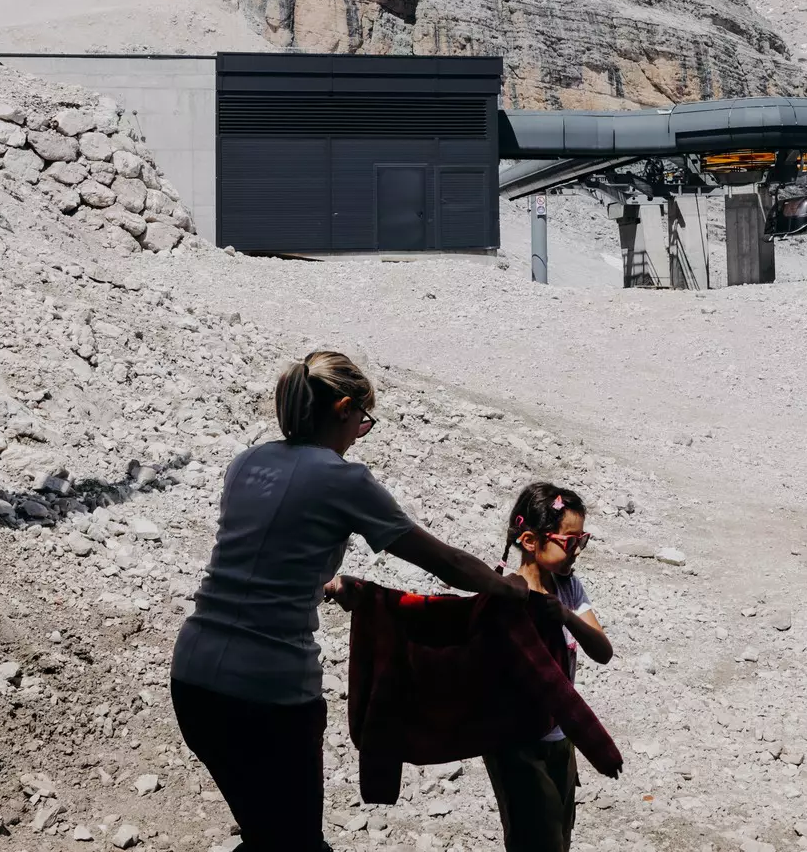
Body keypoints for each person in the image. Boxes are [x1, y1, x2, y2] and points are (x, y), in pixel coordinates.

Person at [170, 350, 523, 851]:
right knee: (294, 842)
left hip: (194, 680)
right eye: (362, 421)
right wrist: (508, 586)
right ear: (342, 409)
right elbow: (439, 559)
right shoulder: (344, 479)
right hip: (270, 691)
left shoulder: (245, 462)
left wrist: (326, 582)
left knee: (268, 833)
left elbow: (268, 555)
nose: (361, 432)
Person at [482, 482, 612, 852]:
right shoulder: (506, 595)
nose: (577, 551)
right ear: (530, 540)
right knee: (534, 839)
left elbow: (603, 651)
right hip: (516, 741)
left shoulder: (569, 590)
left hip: (560, 737)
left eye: (581, 540)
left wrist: (566, 617)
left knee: (559, 835)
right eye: (570, 541)